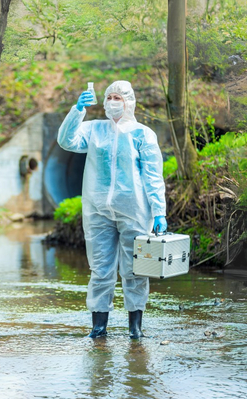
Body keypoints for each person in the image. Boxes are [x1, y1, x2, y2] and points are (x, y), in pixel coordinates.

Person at [57, 80, 167, 339]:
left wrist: (159, 210)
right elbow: (66, 141)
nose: (112, 102)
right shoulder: (94, 129)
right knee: (100, 269)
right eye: (109, 97)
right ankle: (98, 328)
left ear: (129, 101)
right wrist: (77, 111)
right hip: (97, 211)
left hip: (135, 210)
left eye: (118, 97)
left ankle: (135, 328)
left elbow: (153, 176)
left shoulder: (143, 134)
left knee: (135, 269)